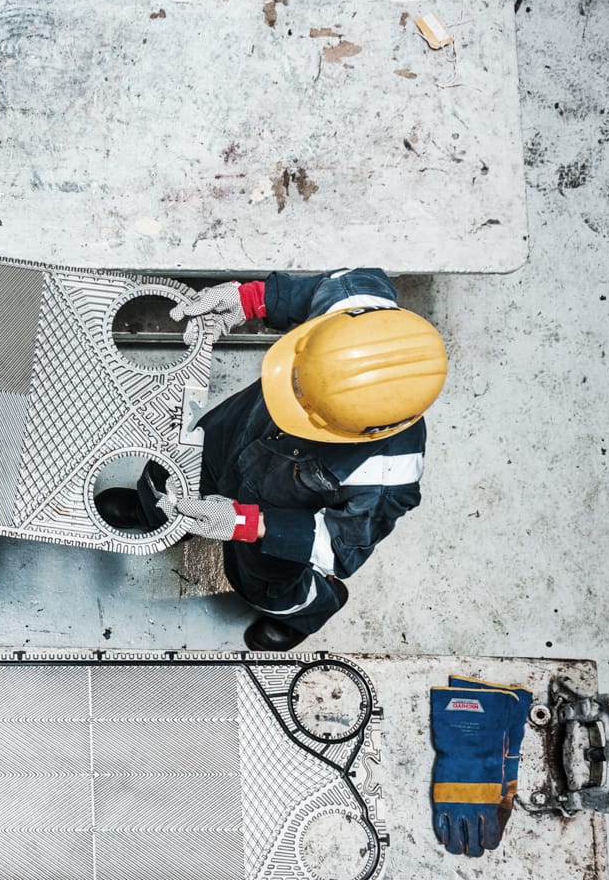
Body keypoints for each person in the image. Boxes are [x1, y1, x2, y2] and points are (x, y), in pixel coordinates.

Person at [101, 268, 446, 652]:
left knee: (261, 582)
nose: (293, 398)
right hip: (239, 430)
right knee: (174, 472)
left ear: (362, 431)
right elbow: (320, 289)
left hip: (277, 515)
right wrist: (249, 299)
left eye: (306, 403)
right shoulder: (358, 309)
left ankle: (310, 608)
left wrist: (247, 523)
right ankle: (156, 512)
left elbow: (338, 545)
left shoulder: (386, 477)